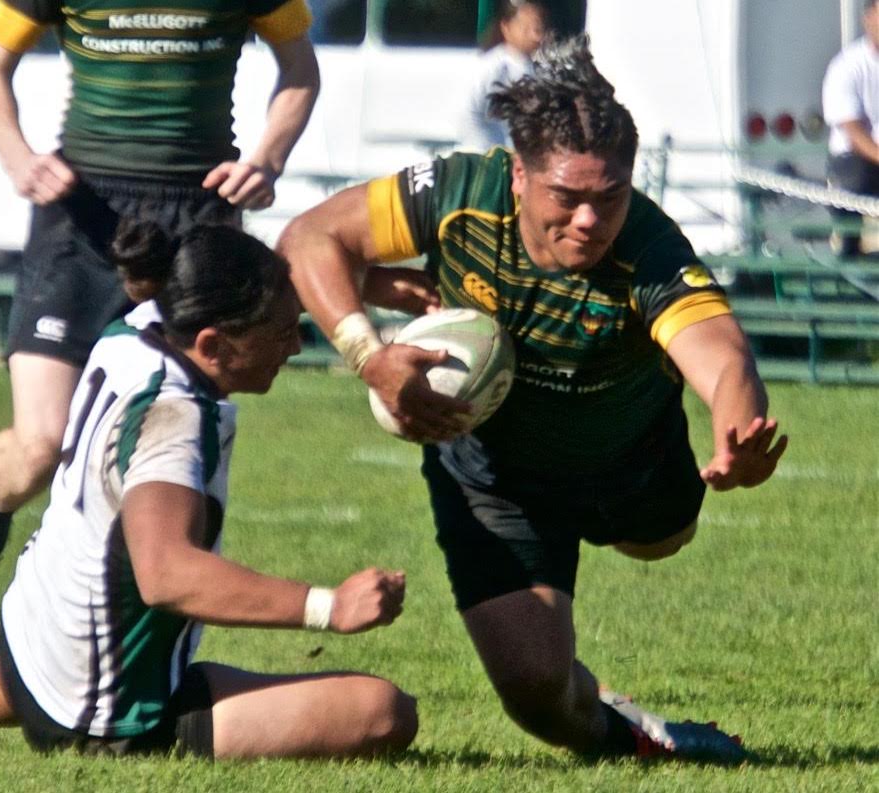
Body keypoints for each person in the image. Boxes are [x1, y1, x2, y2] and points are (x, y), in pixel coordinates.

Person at [277, 36, 788, 764]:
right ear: (517, 174)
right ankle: (636, 737)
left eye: (608, 196)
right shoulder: (455, 193)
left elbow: (721, 353)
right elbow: (309, 236)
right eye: (567, 197)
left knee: (660, 541)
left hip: (625, 460)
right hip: (492, 473)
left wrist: (734, 431)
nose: (588, 219)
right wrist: (369, 354)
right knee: (535, 693)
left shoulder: (648, 247)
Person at [0, 222, 417, 759]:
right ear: (212, 344)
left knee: (52, 659)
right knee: (383, 712)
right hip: (103, 707)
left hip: (38, 630)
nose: (293, 347)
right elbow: (167, 575)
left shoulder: (133, 329)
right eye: (283, 332)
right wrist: (327, 607)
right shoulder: (176, 418)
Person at [0, 0, 321, 648]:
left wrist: (267, 159)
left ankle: (123, 629)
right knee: (40, 444)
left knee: (181, 429)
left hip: (199, 211)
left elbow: (299, 68)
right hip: (82, 215)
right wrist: (18, 157)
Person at [822, 0, 879, 257]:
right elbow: (854, 134)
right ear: (868, 18)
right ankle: (849, 254)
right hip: (854, 162)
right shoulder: (847, 66)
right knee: (857, 177)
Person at [456, 0, 549, 152]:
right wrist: (493, 154)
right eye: (526, 28)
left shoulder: (540, 70)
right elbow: (466, 114)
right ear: (506, 27)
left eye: (538, 28)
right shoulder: (493, 67)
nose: (535, 35)